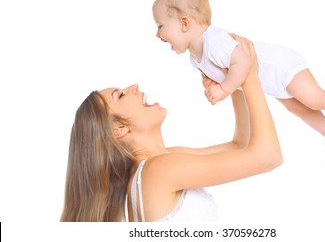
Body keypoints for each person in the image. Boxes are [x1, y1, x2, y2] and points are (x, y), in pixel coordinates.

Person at [60, 35, 283, 222]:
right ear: (119, 130)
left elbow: (240, 145)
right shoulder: (160, 170)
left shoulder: (163, 161)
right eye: (120, 95)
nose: (133, 87)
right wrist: (250, 76)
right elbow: (269, 157)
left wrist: (233, 83)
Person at [152, 0, 325, 162]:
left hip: (281, 67)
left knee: (316, 99)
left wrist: (224, 89)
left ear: (184, 23)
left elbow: (242, 61)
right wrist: (211, 85)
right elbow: (220, 74)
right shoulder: (194, 57)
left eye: (160, 25)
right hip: (270, 82)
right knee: (298, 108)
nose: (157, 34)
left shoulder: (214, 40)